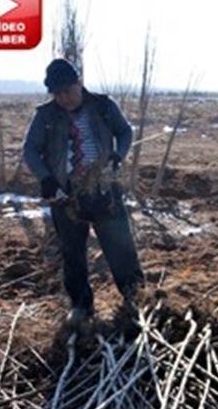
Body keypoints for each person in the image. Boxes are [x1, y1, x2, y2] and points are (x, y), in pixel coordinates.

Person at [22, 58, 143, 323]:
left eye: (67, 90)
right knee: (72, 252)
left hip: (103, 189)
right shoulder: (46, 115)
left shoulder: (103, 106)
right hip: (66, 195)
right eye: (57, 93)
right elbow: (30, 150)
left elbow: (124, 131)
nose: (63, 98)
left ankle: (135, 297)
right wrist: (46, 179)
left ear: (79, 83)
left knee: (120, 246)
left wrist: (117, 155)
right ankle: (81, 306)